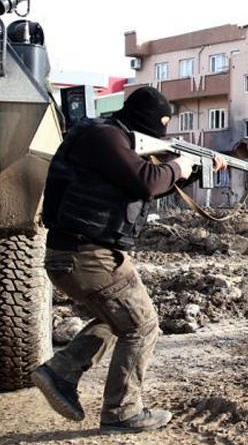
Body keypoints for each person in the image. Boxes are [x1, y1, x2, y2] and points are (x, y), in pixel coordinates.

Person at [31, 86, 225, 433]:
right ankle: (122, 413)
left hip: (82, 253)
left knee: (119, 319)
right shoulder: (104, 138)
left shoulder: (108, 139)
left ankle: (60, 371)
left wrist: (194, 170)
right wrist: (178, 165)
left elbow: (146, 183)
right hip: (87, 254)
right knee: (142, 324)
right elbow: (145, 181)